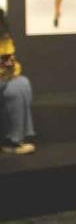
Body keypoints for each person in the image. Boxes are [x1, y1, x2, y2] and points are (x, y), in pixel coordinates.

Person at [0, 9, 36, 155]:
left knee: (21, 84)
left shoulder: (4, 37)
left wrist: (7, 72)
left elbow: (10, 64)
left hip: (2, 77)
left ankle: (13, 140)